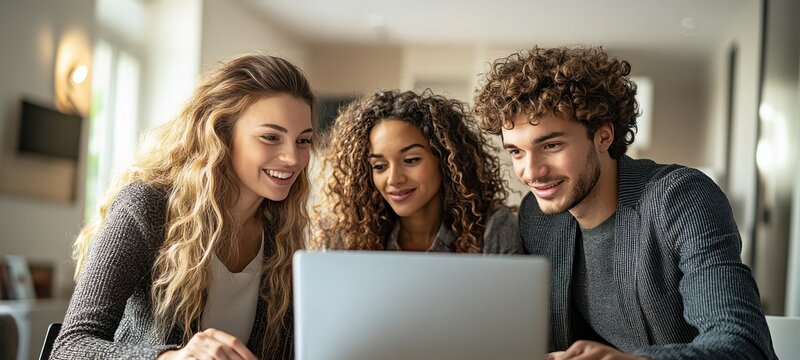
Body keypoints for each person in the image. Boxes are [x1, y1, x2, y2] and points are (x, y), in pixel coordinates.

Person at [473, 46, 777, 359]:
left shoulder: (679, 197)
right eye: (517, 152)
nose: (532, 172)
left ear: (603, 136)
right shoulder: (538, 217)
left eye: (551, 145)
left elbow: (744, 345)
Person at [51, 54, 315, 360]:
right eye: (270, 137)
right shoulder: (146, 207)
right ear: (221, 133)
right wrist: (173, 358)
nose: (293, 158)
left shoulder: (283, 231)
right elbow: (69, 347)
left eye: (303, 141)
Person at [313, 89, 522, 254]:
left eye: (411, 160)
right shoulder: (346, 237)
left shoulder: (493, 228)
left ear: (445, 160)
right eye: (380, 166)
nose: (393, 179)